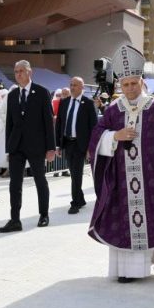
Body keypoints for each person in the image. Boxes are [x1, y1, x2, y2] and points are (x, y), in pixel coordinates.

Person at [87, 44, 154, 282]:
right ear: (120, 85)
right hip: (122, 182)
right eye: (125, 84)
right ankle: (130, 271)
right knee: (126, 223)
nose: (130, 88)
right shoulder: (114, 110)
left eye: (134, 83)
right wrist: (114, 136)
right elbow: (96, 136)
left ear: (141, 82)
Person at [0, 60, 55, 232]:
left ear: (30, 72)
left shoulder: (42, 92)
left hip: (36, 145)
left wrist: (51, 147)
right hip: (17, 146)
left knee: (40, 180)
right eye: (16, 71)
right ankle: (15, 220)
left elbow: (48, 121)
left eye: (21, 71)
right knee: (14, 184)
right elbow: (9, 123)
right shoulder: (12, 95)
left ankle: (44, 215)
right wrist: (9, 148)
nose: (18, 74)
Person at [54, 76, 98, 214]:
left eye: (75, 85)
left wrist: (91, 147)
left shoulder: (88, 103)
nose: (72, 87)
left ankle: (75, 203)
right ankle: (80, 198)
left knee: (77, 173)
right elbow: (59, 124)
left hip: (80, 144)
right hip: (68, 142)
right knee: (73, 173)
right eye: (71, 85)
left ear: (82, 87)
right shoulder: (64, 102)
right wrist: (58, 145)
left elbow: (94, 126)